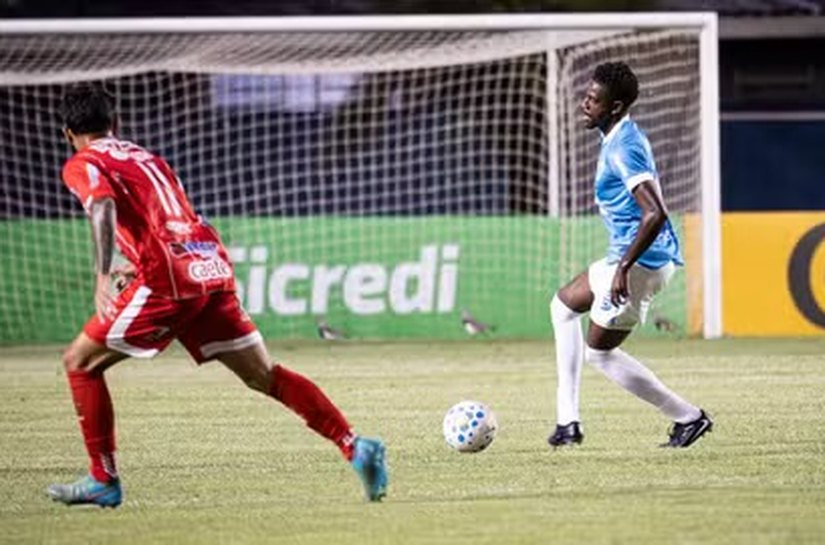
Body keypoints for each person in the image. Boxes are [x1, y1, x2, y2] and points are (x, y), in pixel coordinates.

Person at [47, 84, 388, 508]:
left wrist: (101, 273)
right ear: (115, 123)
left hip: (168, 284)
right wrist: (136, 261)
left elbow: (101, 206)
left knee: (79, 362)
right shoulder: (146, 158)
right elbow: (173, 218)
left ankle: (104, 479)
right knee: (265, 376)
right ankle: (355, 445)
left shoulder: (84, 161)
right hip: (207, 265)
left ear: (67, 133)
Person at [547, 62, 713, 449]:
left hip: (640, 264)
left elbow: (655, 212)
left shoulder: (623, 147)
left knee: (601, 356)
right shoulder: (621, 137)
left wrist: (623, 268)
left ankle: (688, 417)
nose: (585, 104)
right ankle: (567, 421)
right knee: (562, 307)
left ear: (616, 106)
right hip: (631, 257)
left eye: (594, 99)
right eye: (586, 96)